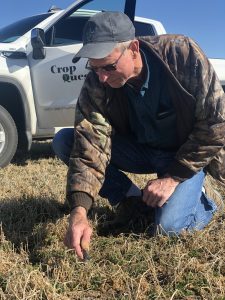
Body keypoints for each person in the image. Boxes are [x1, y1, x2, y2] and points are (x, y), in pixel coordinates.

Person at [52, 11, 225, 259]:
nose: (101, 77)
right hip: (138, 150)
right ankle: (133, 200)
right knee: (66, 141)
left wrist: (172, 178)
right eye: (94, 67)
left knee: (169, 229)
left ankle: (206, 201)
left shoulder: (182, 55)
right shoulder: (97, 82)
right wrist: (79, 212)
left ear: (133, 48)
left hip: (181, 155)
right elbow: (90, 145)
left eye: (109, 67)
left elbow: (215, 125)